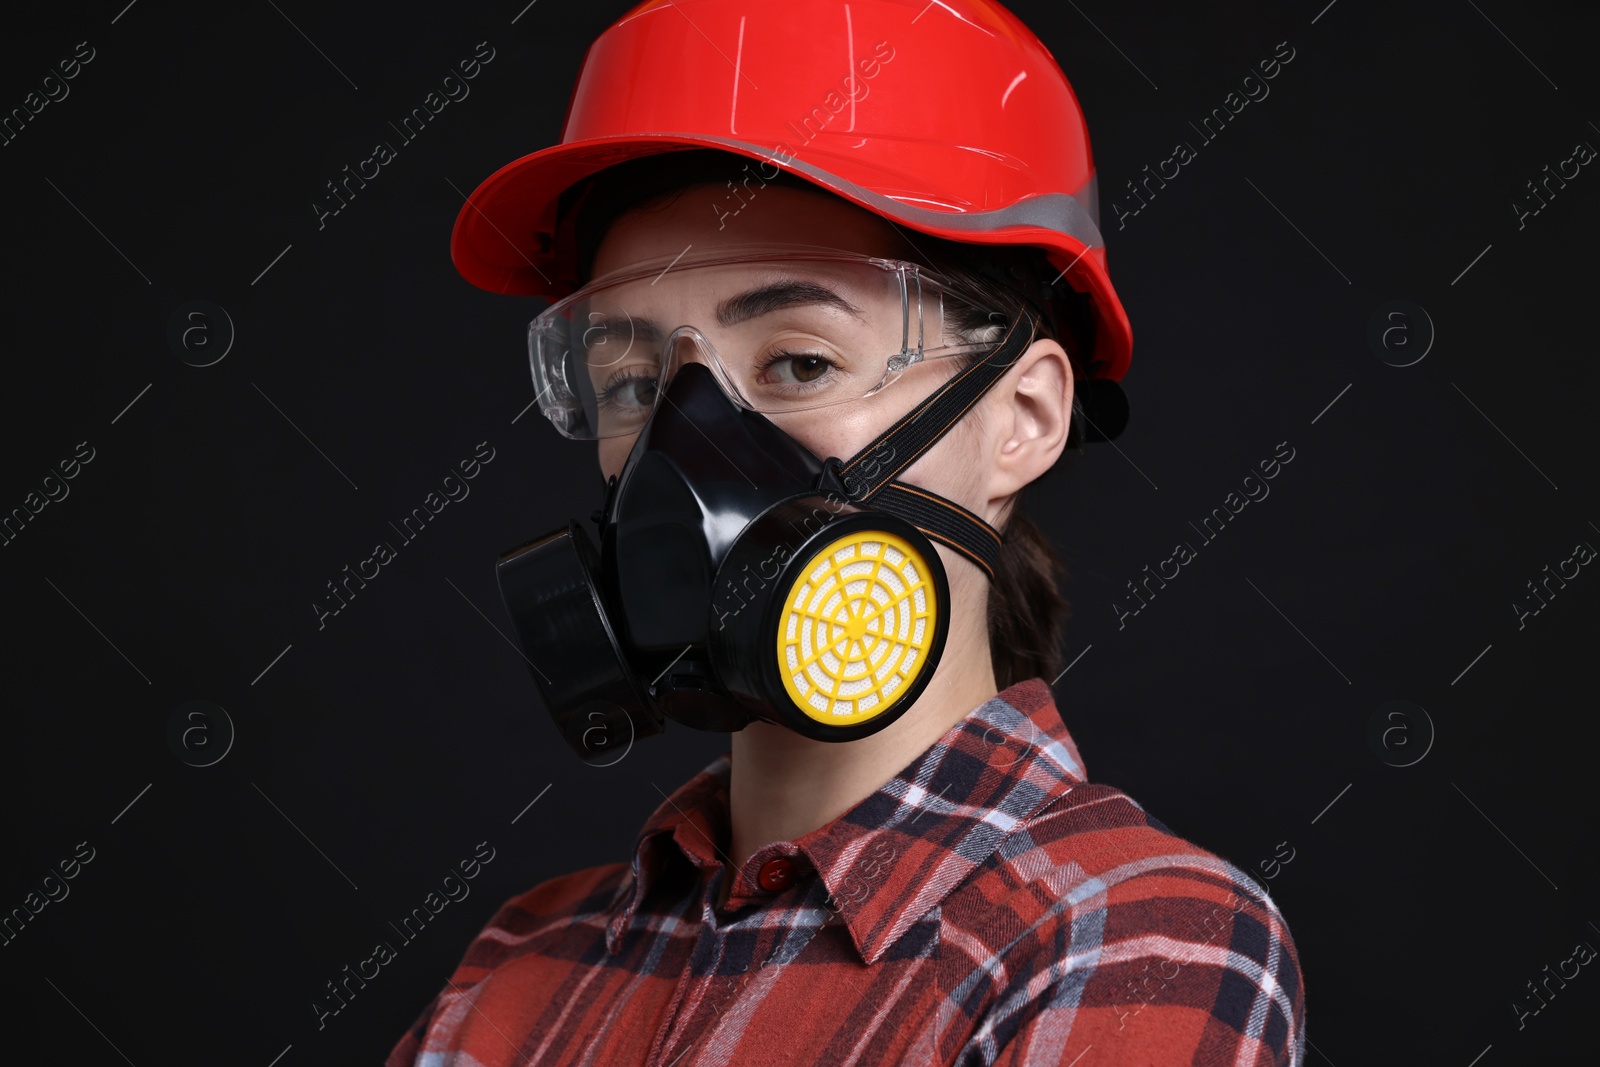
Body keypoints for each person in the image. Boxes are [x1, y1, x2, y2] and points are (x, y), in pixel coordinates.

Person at [389, 1, 1305, 1063]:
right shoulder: (522, 961)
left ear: (1023, 418)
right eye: (634, 380)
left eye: (801, 361)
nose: (685, 447)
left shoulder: (1132, 933)